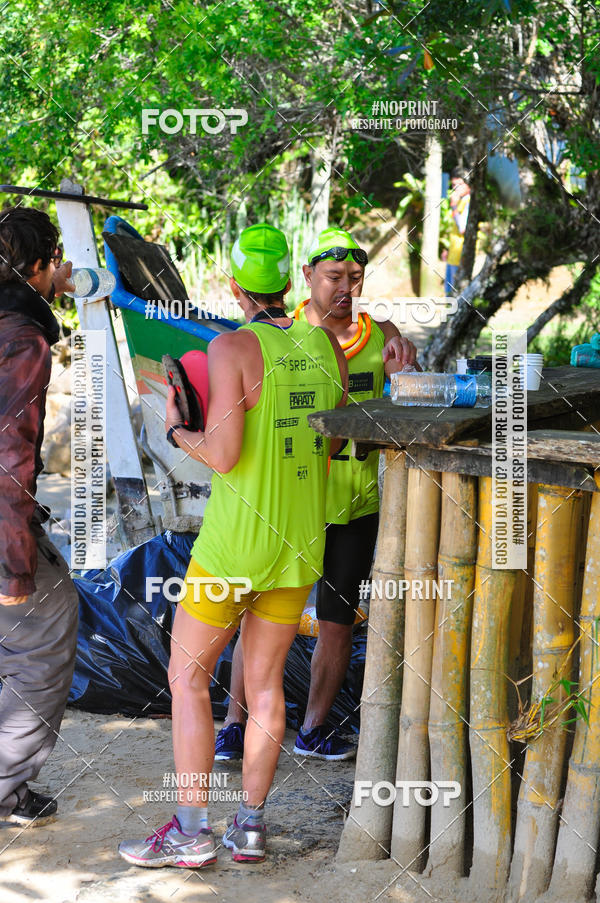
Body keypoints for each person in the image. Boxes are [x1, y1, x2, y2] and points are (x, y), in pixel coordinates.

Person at [118, 223, 348, 868]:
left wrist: (175, 428)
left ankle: (190, 831)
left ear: (236, 285)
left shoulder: (232, 346)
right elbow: (326, 444)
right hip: (299, 544)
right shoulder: (327, 346)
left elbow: (222, 454)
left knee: (188, 678)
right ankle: (248, 828)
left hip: (233, 547)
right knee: (267, 683)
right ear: (292, 281)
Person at [214, 227, 418, 763]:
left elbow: (405, 419)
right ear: (304, 277)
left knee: (337, 620)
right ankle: (236, 723)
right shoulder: (283, 338)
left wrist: (405, 377)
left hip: (354, 503)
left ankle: (314, 728)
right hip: (295, 501)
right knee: (256, 613)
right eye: (333, 277)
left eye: (355, 277)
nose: (345, 288)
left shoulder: (385, 337)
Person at [0, 206, 78, 826]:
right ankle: (4, 787)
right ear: (39, 266)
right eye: (55, 264)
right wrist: (15, 565)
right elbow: (9, 451)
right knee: (47, 625)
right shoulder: (22, 337)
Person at [444, 168, 471, 295]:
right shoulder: (462, 200)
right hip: (453, 254)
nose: (455, 188)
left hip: (461, 254)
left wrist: (454, 207)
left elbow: (463, 228)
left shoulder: (468, 202)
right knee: (449, 292)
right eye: (453, 185)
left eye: (458, 185)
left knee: (457, 294)